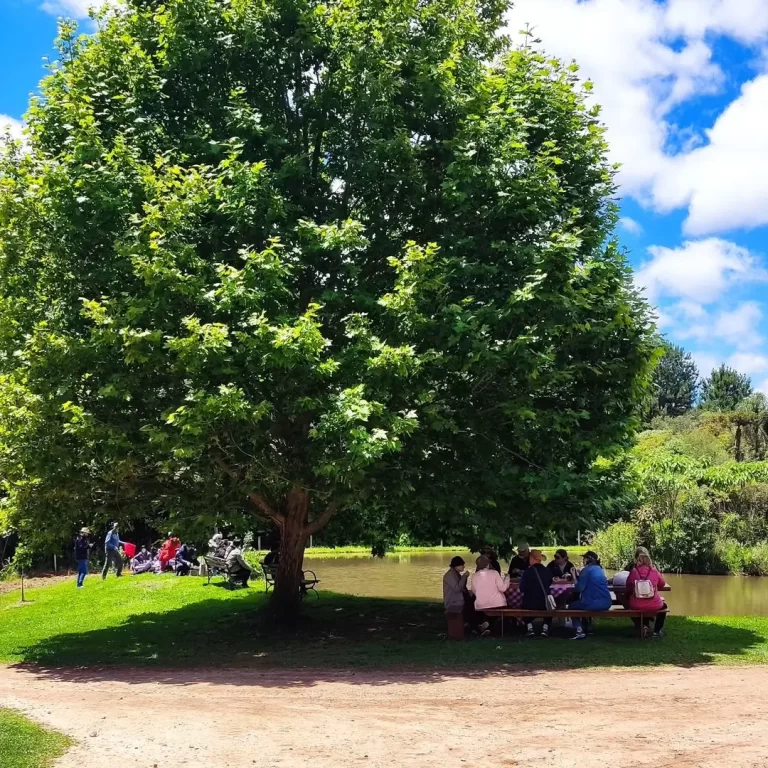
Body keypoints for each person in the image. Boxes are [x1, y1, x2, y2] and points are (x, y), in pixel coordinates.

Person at [626, 547, 668, 638]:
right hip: (654, 604)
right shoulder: (654, 571)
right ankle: (657, 631)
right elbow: (662, 584)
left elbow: (628, 586)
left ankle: (644, 626)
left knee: (631, 603)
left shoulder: (634, 571)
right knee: (664, 607)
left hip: (636, 605)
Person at [568, 551, 612, 640]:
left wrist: (574, 576)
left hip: (593, 603)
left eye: (584, 558)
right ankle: (588, 627)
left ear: (588, 560)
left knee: (572, 606)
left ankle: (579, 630)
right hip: (607, 602)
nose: (582, 560)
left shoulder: (586, 570)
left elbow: (579, 589)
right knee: (583, 603)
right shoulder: (600, 569)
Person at [443, 556, 489, 636]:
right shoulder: (450, 575)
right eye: (462, 565)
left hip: (459, 598)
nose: (464, 567)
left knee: (476, 601)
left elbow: (462, 587)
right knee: (471, 606)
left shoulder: (455, 573)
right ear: (457, 565)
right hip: (453, 602)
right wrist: (464, 576)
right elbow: (458, 589)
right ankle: (476, 628)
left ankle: (477, 625)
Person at [519, 549, 553, 637]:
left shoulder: (527, 572)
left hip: (529, 603)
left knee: (523, 605)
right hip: (544, 603)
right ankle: (545, 628)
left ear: (532, 558)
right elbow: (549, 583)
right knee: (550, 607)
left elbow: (521, 588)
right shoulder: (547, 571)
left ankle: (530, 628)